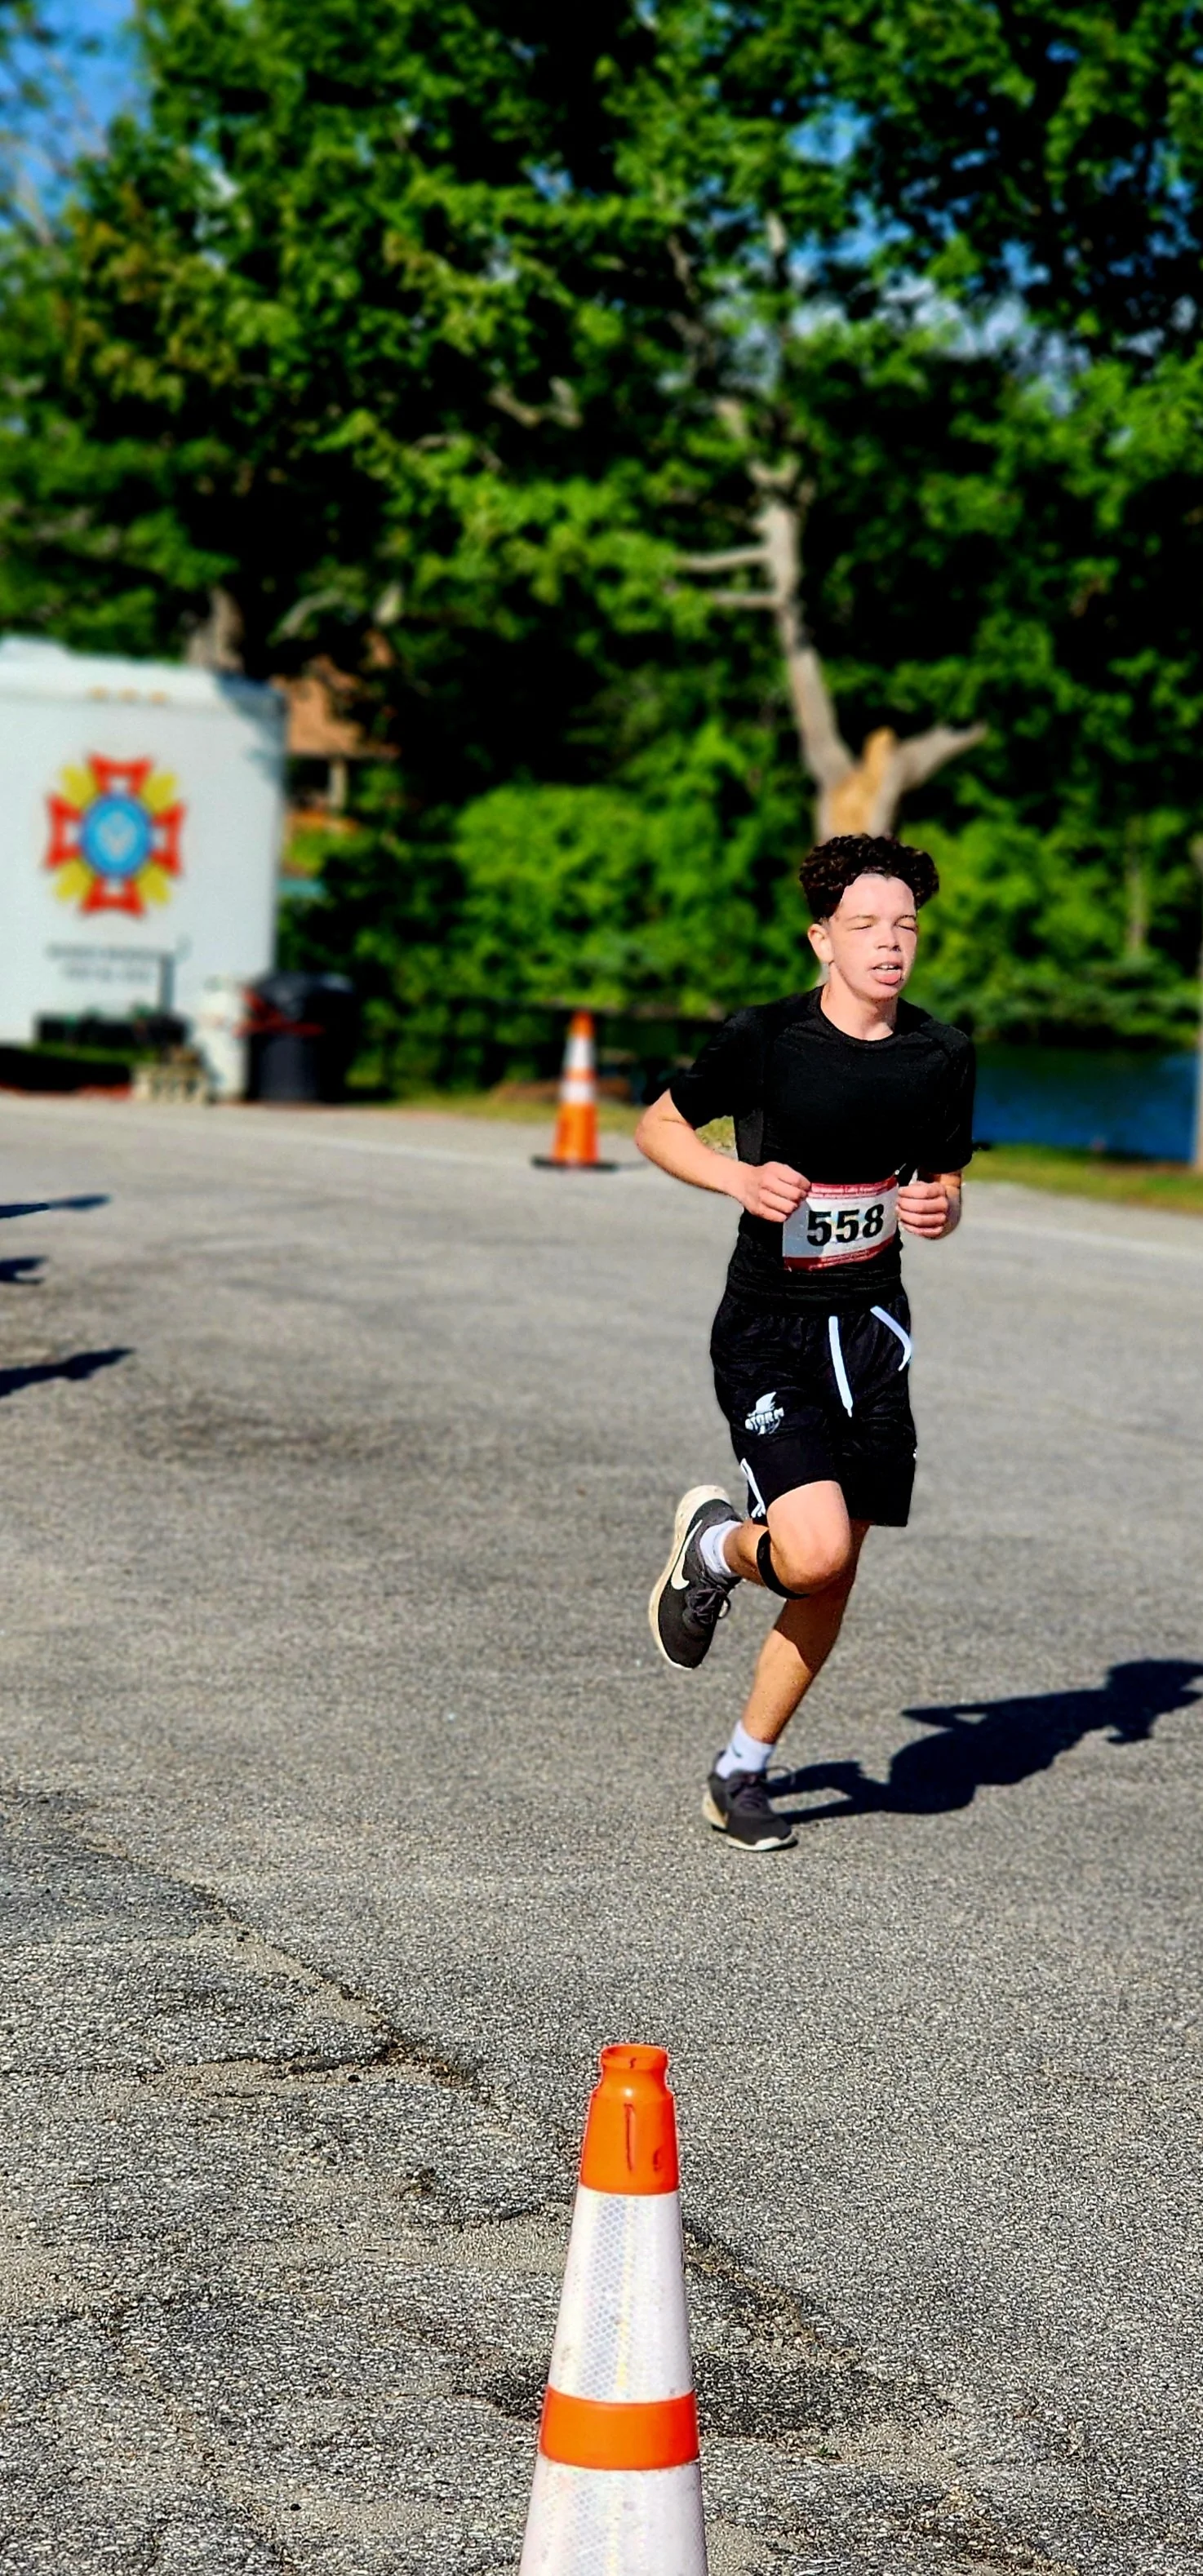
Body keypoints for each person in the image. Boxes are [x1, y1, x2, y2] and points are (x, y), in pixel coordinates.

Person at [636, 831, 974, 1852]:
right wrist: (737, 1177)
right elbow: (657, 1127)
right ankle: (716, 1545)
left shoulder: (940, 1054)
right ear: (822, 938)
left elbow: (944, 1179)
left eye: (905, 926)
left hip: (872, 1333)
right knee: (811, 1551)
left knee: (834, 1569)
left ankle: (741, 1769)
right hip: (769, 1331)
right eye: (865, 925)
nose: (889, 943)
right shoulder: (766, 1039)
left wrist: (942, 1206)